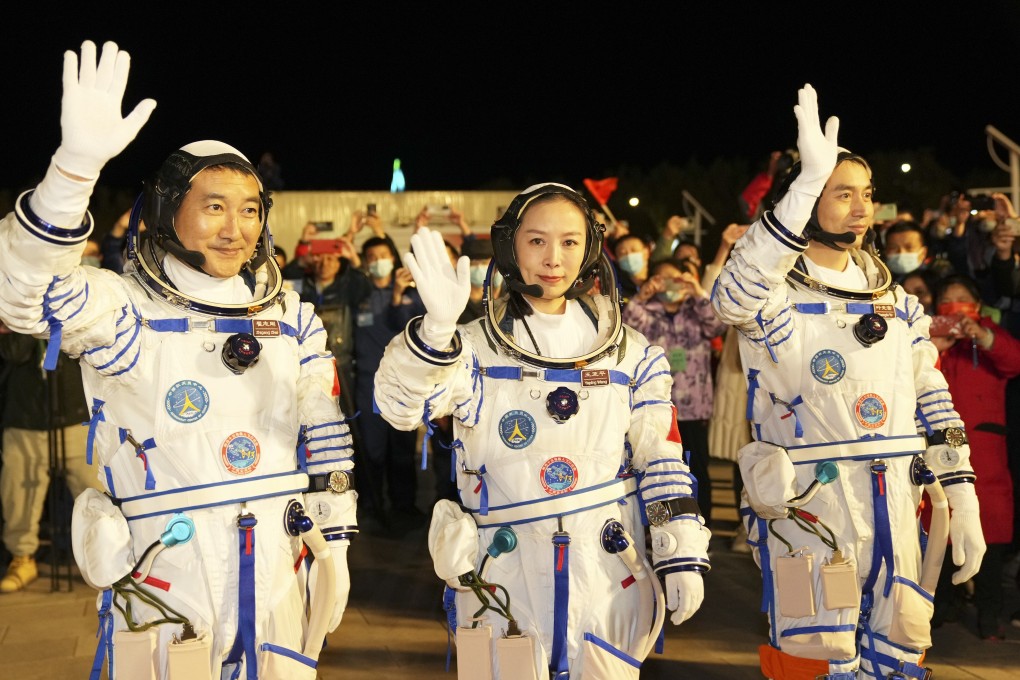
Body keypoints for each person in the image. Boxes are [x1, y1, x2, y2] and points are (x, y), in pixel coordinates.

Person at [0, 42, 355, 679]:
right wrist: (72, 172)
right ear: (168, 210)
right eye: (214, 206)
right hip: (169, 577)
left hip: (278, 568)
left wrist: (336, 542)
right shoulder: (126, 309)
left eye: (249, 210)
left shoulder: (291, 315)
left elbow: (324, 426)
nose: (235, 228)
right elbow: (26, 296)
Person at [374, 183, 711, 679]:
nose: (554, 258)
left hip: (607, 568)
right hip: (504, 571)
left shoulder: (631, 353)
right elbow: (400, 409)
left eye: (570, 242)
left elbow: (659, 455)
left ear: (591, 249)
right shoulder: (472, 348)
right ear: (511, 246)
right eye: (536, 241)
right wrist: (436, 333)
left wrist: (681, 548)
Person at [711, 84, 985, 680]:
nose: (862, 208)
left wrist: (961, 494)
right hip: (813, 508)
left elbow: (931, 398)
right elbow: (730, 298)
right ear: (806, 201)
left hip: (897, 505)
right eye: (842, 194)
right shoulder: (775, 297)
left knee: (900, 654)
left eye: (866, 194)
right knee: (817, 659)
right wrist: (804, 183)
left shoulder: (895, 299)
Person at [927, 273, 1020, 640]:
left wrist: (983, 336)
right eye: (947, 301)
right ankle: (940, 610)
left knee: (992, 543)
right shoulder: (931, 339)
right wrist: (937, 344)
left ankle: (989, 616)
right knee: (941, 537)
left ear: (978, 307)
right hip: (941, 454)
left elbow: (1014, 361)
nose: (955, 307)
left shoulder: (989, 338)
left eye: (963, 299)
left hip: (987, 457)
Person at [623, 256, 727, 528]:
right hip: (657, 408)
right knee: (658, 468)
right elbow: (626, 326)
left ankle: (702, 524)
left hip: (694, 408)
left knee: (698, 469)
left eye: (676, 278)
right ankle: (659, 527)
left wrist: (698, 291)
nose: (671, 285)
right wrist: (642, 297)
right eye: (663, 279)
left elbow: (717, 325)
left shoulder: (696, 310)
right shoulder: (648, 312)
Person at [0, 326, 100, 593]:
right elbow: (13, 352)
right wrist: (24, 320)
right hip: (25, 416)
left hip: (74, 411)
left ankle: (102, 557)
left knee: (94, 492)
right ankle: (22, 557)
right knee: (19, 495)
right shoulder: (12, 302)